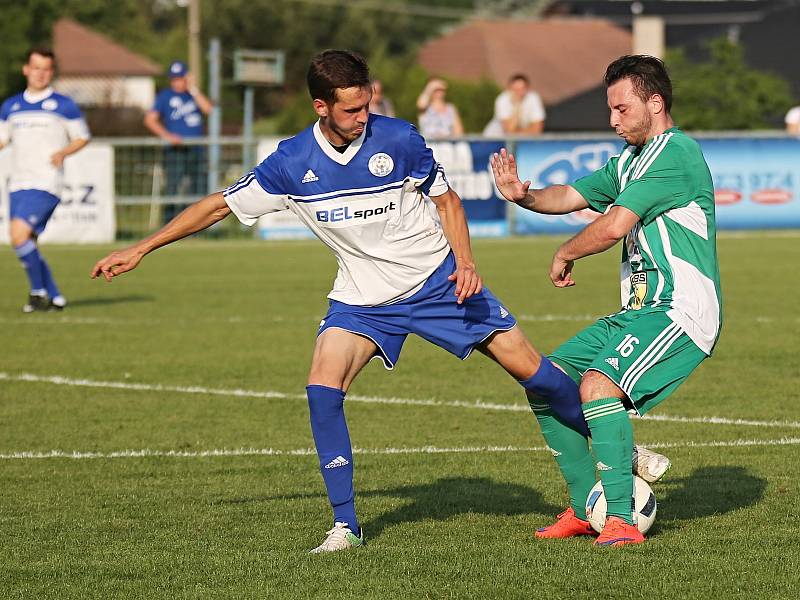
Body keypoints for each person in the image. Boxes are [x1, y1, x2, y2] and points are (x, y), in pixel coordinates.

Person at [92, 50, 666, 553]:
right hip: (362, 299)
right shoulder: (291, 164)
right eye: (350, 109)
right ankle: (346, 526)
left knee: (536, 374)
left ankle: (619, 447)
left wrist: (466, 263)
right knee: (322, 389)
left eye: (366, 104)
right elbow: (218, 206)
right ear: (321, 107)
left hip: (439, 281)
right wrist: (142, 247)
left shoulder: (399, 139)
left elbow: (448, 204)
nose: (363, 116)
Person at [491, 55, 722, 546]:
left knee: (597, 386)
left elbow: (614, 225)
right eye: (610, 110)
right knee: (547, 382)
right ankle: (583, 507)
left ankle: (620, 519)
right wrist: (522, 196)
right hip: (638, 312)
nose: (612, 120)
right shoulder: (630, 161)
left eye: (621, 109)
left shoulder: (675, 153)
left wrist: (564, 252)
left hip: (679, 310)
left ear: (654, 103)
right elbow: (570, 195)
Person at [0, 47, 90, 312]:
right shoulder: (11, 106)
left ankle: (38, 292)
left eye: (46, 69)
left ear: (52, 72)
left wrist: (64, 152)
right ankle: (54, 296)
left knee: (17, 236)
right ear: (26, 69)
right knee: (28, 243)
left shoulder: (63, 105)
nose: (40, 73)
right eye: (36, 67)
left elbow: (82, 137)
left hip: (46, 182)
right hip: (18, 183)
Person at [144, 60, 212, 222]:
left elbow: (208, 109)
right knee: (172, 188)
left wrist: (193, 89)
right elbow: (150, 120)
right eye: (174, 79)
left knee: (199, 189)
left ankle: (198, 227)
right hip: (176, 150)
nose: (177, 82)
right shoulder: (165, 96)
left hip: (196, 149)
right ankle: (169, 224)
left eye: (180, 78)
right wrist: (167, 136)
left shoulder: (192, 95)